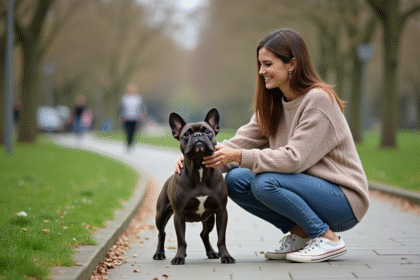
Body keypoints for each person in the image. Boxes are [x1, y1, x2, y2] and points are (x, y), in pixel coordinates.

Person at [175, 28, 369, 263]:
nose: (261, 71)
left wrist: (238, 156)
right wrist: (194, 159)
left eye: (268, 64)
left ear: (292, 64)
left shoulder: (318, 100)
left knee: (265, 182)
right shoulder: (273, 104)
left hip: (343, 200)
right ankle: (301, 234)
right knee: (235, 181)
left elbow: (294, 159)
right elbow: (239, 143)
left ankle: (327, 238)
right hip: (308, 190)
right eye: (259, 64)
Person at [119, 83, 147, 151]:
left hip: (135, 117)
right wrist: (120, 115)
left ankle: (131, 143)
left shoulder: (138, 98)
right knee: (127, 131)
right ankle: (128, 143)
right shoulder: (124, 98)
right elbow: (120, 107)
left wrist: (142, 115)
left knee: (133, 131)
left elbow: (142, 107)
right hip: (126, 117)